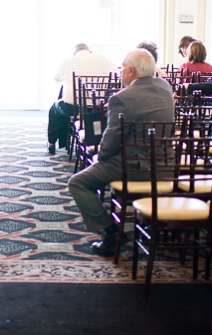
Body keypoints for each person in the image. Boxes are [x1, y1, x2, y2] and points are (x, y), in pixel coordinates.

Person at [68, 48, 175, 256]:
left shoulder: (122, 98)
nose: (120, 72)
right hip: (166, 165)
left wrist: (99, 157)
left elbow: (110, 142)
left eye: (123, 68)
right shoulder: (165, 87)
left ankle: (111, 232)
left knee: (77, 183)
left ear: (132, 71)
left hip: (134, 167)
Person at [47, 43, 117, 155]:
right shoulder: (102, 59)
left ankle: (52, 143)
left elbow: (57, 78)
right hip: (97, 109)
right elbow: (115, 75)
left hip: (72, 108)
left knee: (54, 110)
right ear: (90, 52)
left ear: (74, 53)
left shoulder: (67, 61)